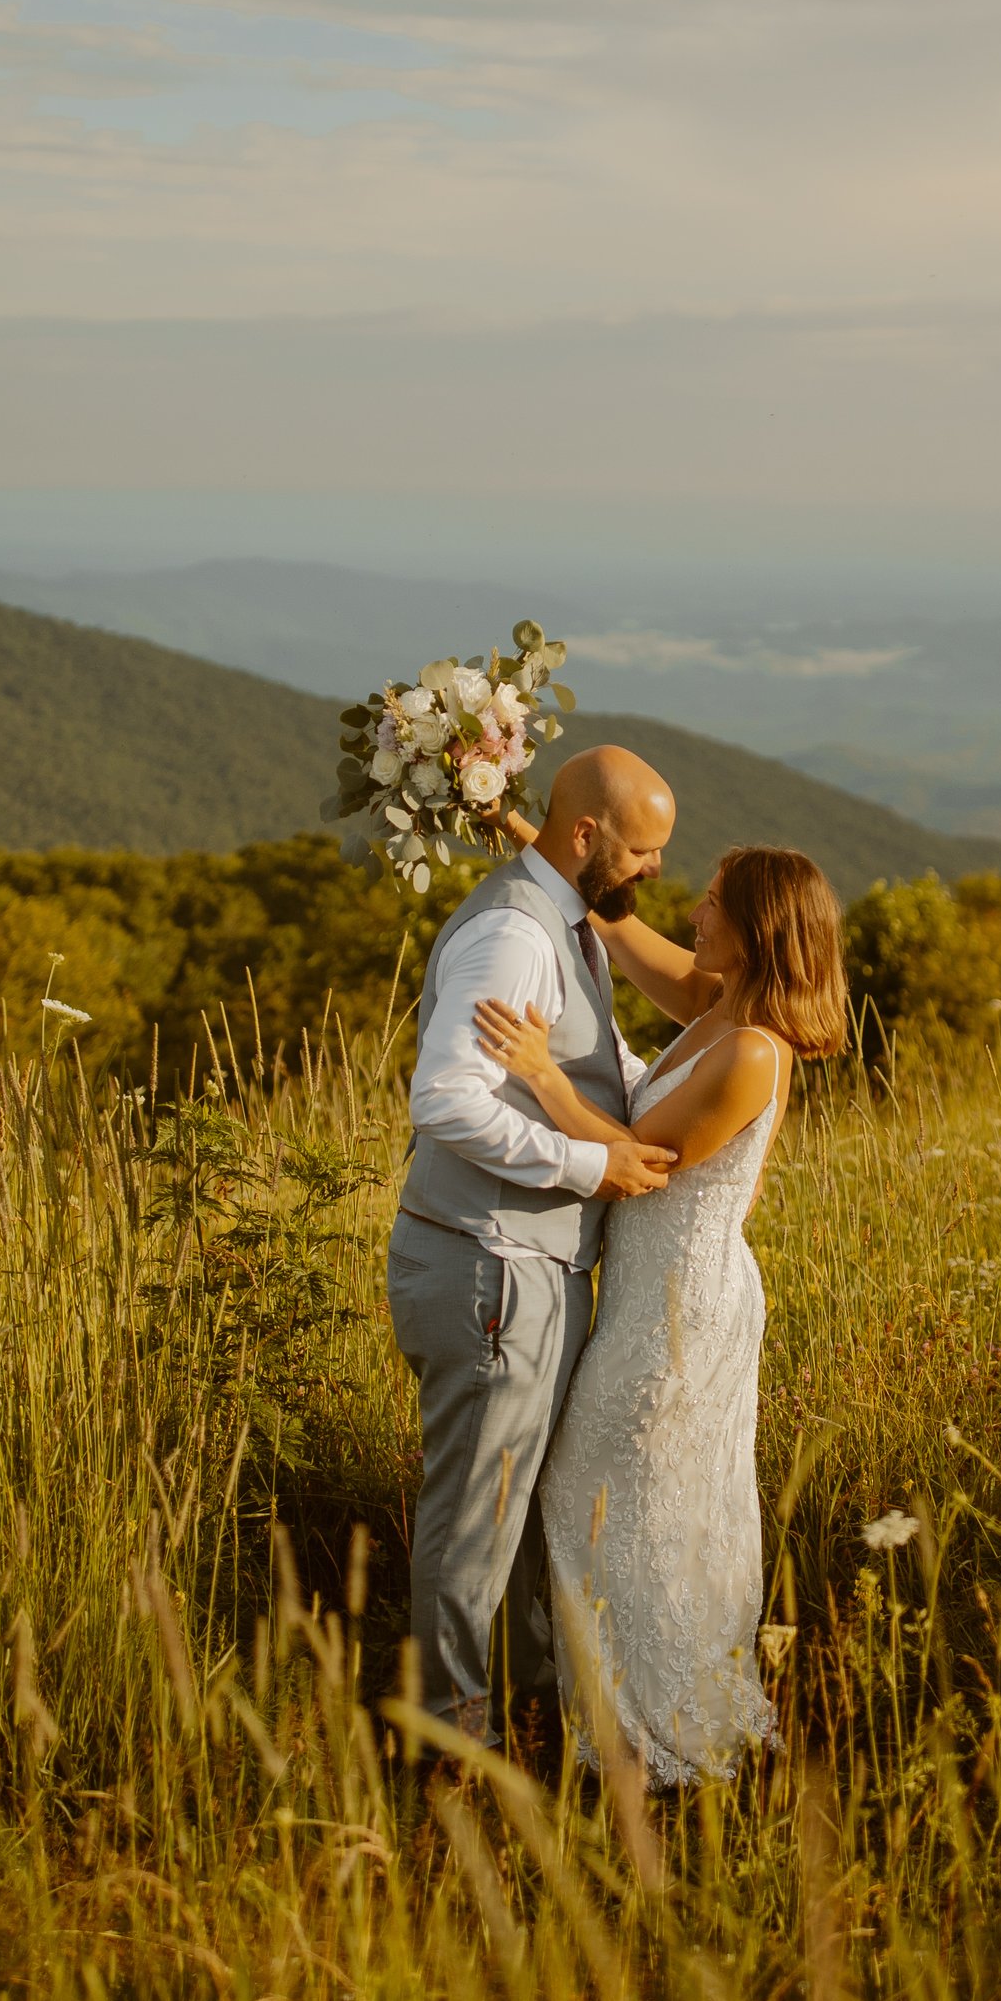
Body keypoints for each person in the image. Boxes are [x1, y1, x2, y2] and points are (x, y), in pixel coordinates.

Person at [474, 844, 847, 1785]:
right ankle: (630, 1707)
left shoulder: (753, 1052)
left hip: (687, 1302)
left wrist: (545, 1079)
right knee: (642, 1500)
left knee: (596, 1492)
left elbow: (642, 1162)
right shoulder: (720, 1008)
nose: (694, 912)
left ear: (758, 928)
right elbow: (619, 927)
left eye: (714, 903)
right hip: (650, 1291)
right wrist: (529, 833)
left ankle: (657, 1722)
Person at [386, 744, 681, 1746]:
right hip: (489, 1268)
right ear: (585, 833)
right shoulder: (515, 932)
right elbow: (445, 1100)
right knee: (474, 1524)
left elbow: (581, 1058)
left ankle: (513, 1717)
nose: (652, 869)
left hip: (522, 1264)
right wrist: (592, 1168)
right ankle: (449, 1747)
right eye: (641, 849)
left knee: (510, 1518)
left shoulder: (567, 920)